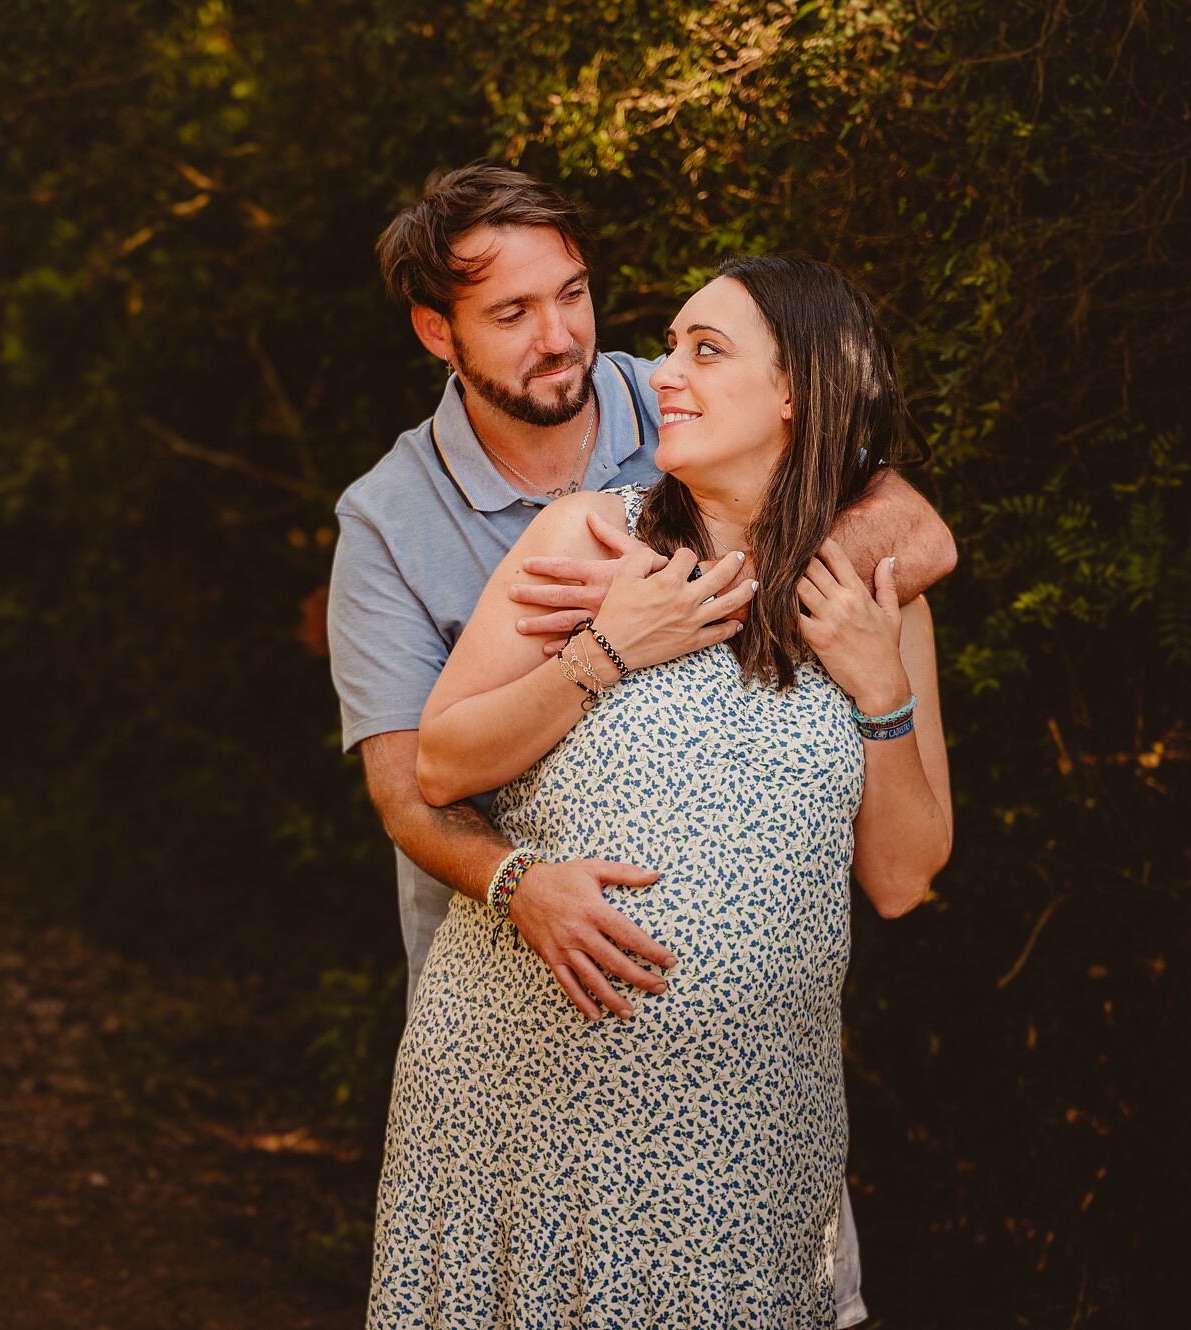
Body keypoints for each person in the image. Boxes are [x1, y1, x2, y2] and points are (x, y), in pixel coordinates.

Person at [326, 166, 955, 1325]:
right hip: (521, 1066)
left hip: (754, 1123)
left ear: (794, 394)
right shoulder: (402, 526)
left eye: (572, 294)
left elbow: (912, 529)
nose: (569, 339)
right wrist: (609, 649)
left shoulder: (681, 427)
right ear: (438, 332)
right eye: (511, 314)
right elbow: (416, 783)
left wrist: (798, 625)